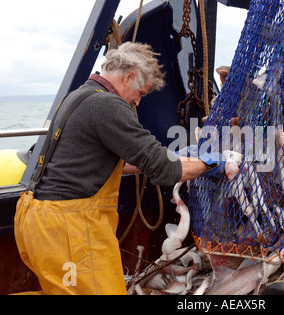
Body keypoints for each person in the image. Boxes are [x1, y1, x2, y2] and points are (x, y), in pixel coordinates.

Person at [14, 42, 224, 295]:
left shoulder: (80, 96)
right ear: (130, 76)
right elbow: (164, 171)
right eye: (142, 93)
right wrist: (210, 163)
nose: (138, 100)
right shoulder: (109, 106)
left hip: (38, 220)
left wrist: (176, 157)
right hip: (68, 228)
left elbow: (113, 163)